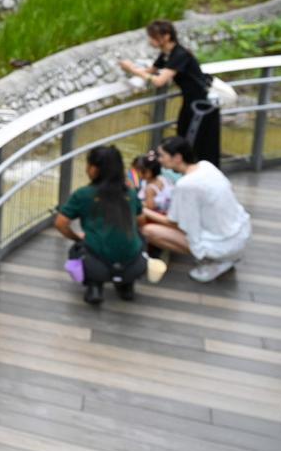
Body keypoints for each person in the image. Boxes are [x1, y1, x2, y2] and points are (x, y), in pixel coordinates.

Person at [141, 136, 250, 282]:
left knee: (149, 231)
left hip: (224, 244)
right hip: (240, 233)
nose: (159, 159)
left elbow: (173, 223)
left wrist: (143, 210)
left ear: (177, 157)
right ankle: (222, 257)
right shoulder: (206, 166)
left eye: (162, 155)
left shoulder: (186, 184)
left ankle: (215, 260)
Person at [54, 146, 149, 305]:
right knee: (138, 238)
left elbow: (60, 224)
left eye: (88, 164)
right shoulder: (130, 194)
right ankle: (126, 285)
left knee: (76, 249)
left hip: (96, 266)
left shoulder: (84, 194)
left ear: (94, 169)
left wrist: (77, 238)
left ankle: (94, 286)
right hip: (136, 265)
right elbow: (141, 221)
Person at [119, 20, 220, 166]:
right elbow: (150, 72)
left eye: (153, 37)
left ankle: (196, 172)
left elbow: (159, 80)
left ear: (166, 37)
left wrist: (132, 69)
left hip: (201, 106)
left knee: (197, 143)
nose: (150, 40)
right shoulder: (166, 54)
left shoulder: (180, 54)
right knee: (185, 137)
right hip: (191, 104)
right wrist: (130, 68)